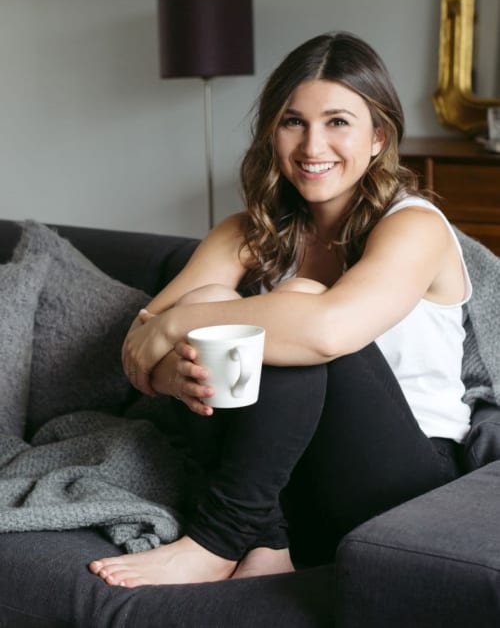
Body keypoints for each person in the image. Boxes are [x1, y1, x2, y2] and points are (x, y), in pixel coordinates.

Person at [89, 31, 471, 588]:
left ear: (377, 137)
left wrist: (178, 326)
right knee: (213, 301)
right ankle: (267, 542)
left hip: (402, 486)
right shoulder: (246, 232)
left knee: (296, 305)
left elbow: (326, 331)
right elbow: (140, 346)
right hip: (289, 491)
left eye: (338, 122)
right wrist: (178, 375)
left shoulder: (415, 226)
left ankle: (219, 539)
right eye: (294, 122)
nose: (313, 146)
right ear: (273, 131)